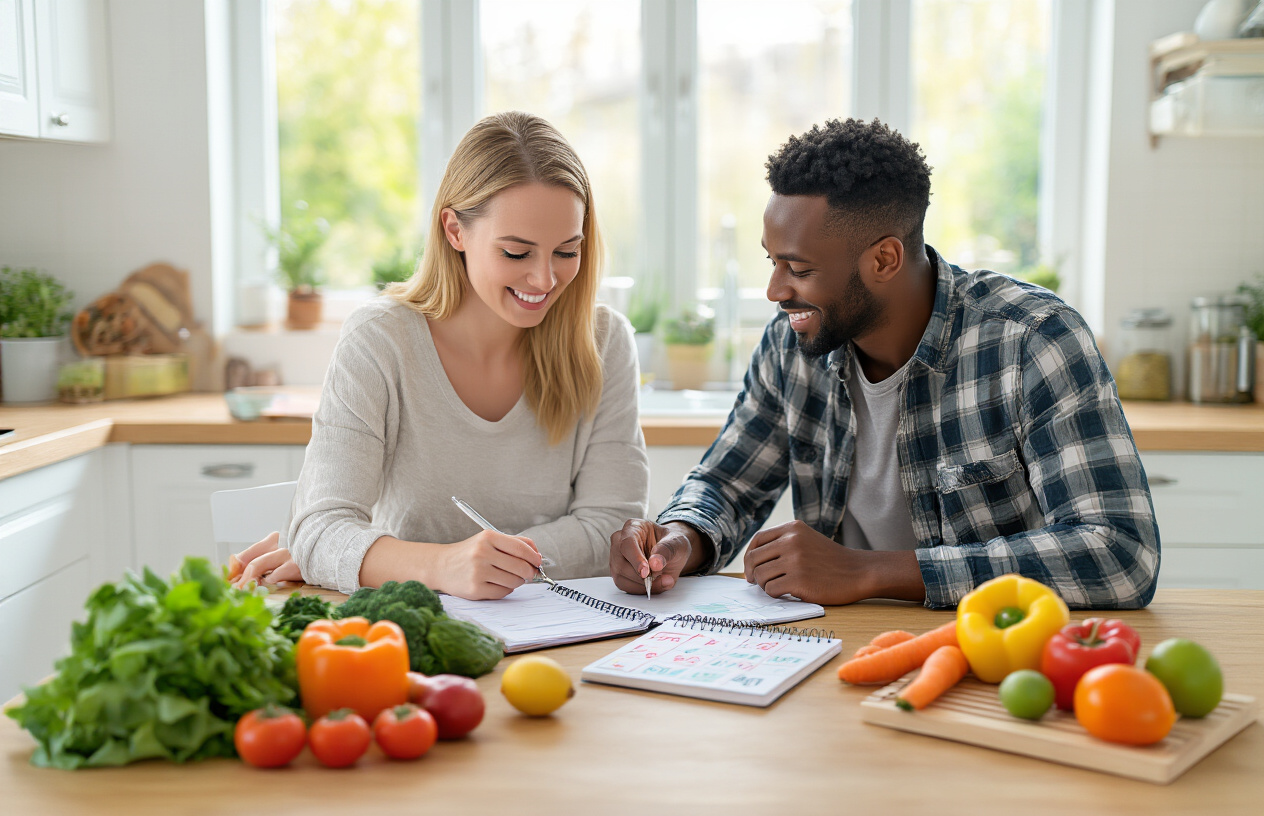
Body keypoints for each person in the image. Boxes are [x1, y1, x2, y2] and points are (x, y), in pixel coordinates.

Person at [609, 117, 1159, 610]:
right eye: (772, 262)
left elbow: (1119, 551)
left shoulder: (1031, 340)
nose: (776, 290)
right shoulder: (790, 343)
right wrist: (681, 535)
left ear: (884, 259)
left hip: (995, 653)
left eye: (797, 268)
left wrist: (871, 572)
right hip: (841, 649)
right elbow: (729, 484)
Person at [234, 111, 649, 600]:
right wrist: (444, 566)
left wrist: (463, 563)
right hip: (409, 630)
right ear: (455, 230)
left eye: (566, 251)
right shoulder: (380, 341)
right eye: (517, 253)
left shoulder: (604, 341)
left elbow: (612, 531)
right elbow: (319, 530)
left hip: (557, 635)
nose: (545, 279)